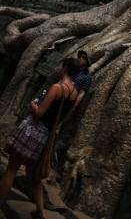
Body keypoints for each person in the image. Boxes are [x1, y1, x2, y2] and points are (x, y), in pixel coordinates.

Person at [0, 57, 80, 219]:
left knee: (12, 169)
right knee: (34, 177)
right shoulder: (75, 93)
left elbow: (39, 113)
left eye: (60, 65)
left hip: (33, 131)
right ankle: (40, 212)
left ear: (64, 68)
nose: (58, 67)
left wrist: (33, 104)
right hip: (45, 137)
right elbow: (63, 118)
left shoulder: (57, 88)